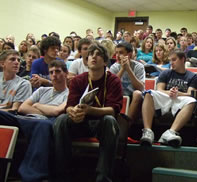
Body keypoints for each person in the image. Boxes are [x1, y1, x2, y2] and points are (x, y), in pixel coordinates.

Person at [53, 42, 123, 182]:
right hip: (80, 122)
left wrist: (90, 110)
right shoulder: (78, 80)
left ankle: (103, 177)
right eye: (91, 54)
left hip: (101, 123)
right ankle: (62, 174)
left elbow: (112, 110)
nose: (93, 57)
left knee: (110, 121)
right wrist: (72, 112)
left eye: (98, 55)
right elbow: (69, 105)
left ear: (105, 61)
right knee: (61, 120)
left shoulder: (113, 80)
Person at [0, 60, 69, 181]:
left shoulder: (70, 94)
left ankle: (32, 177)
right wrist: (45, 110)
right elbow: (22, 108)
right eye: (51, 72)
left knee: (44, 124)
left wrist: (37, 105)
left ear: (66, 74)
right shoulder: (42, 90)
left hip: (44, 124)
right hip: (24, 119)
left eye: (58, 71)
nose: (54, 75)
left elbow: (57, 111)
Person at [140, 50, 197, 147]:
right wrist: (170, 92)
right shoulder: (166, 73)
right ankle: (147, 131)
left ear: (183, 59)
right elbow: (159, 90)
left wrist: (178, 93)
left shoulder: (193, 77)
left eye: (174, 60)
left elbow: (191, 94)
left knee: (192, 101)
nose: (171, 63)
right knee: (149, 93)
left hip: (181, 98)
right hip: (166, 96)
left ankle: (171, 132)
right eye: (170, 60)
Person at [110, 42, 145, 123]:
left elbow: (140, 88)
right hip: (119, 95)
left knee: (137, 93)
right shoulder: (114, 67)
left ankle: (126, 124)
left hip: (134, 97)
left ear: (129, 55)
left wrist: (128, 69)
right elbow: (112, 86)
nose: (118, 56)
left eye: (121, 53)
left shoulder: (138, 66)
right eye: (116, 53)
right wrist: (122, 69)